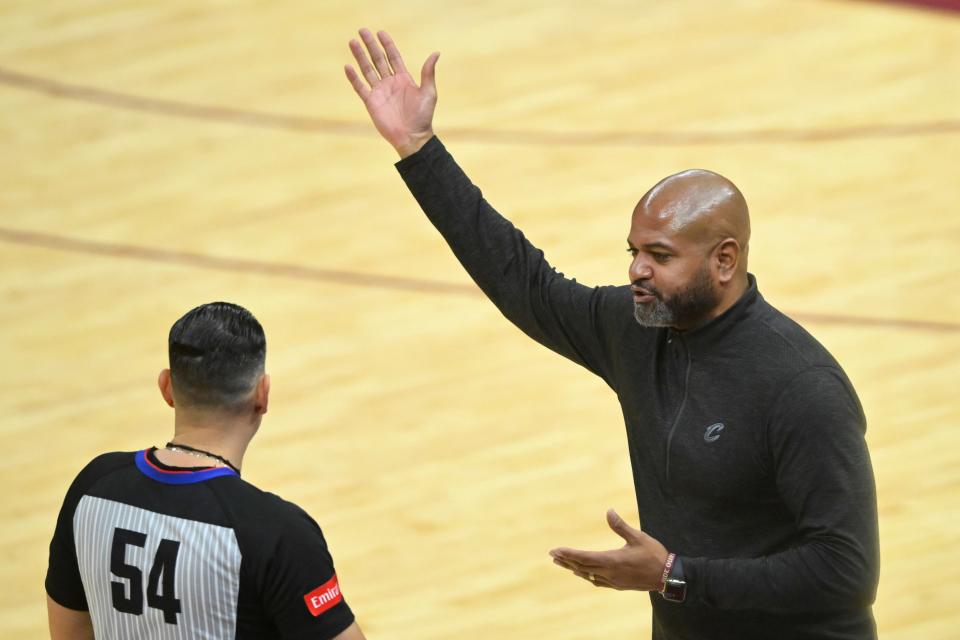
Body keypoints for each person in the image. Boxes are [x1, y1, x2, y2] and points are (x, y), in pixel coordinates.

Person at [344, 29, 880, 640]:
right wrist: (419, 149)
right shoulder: (638, 329)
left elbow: (847, 571)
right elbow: (526, 284)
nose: (636, 271)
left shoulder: (800, 385)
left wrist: (676, 575)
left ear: (724, 260)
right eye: (632, 252)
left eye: (659, 255)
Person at [45, 302, 365, 640]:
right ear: (263, 394)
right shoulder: (277, 534)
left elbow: (69, 631)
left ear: (166, 387)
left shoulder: (93, 486)